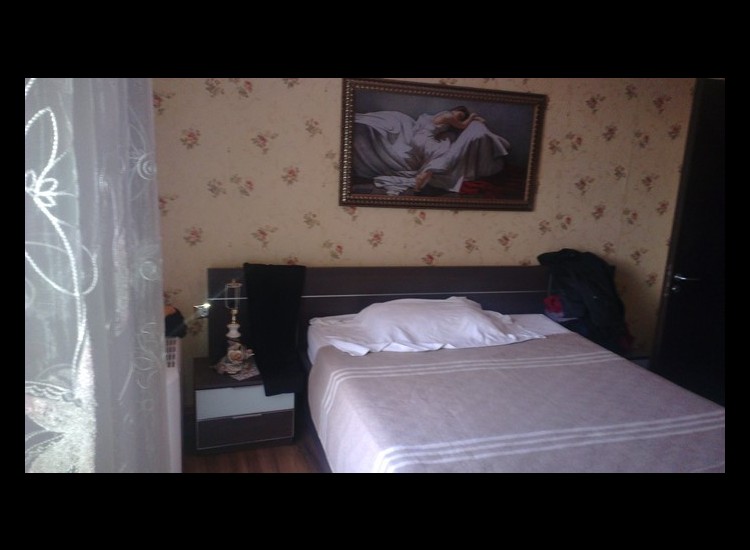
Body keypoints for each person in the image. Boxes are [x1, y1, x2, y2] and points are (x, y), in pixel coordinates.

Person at [352, 106, 510, 195]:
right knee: (441, 153)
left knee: (441, 150)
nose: (458, 117)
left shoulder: (438, 117)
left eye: (461, 116)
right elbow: (462, 125)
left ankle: (426, 173)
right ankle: (428, 172)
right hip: (424, 139)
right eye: (459, 114)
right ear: (455, 110)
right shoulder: (448, 116)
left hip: (420, 139)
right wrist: (473, 117)